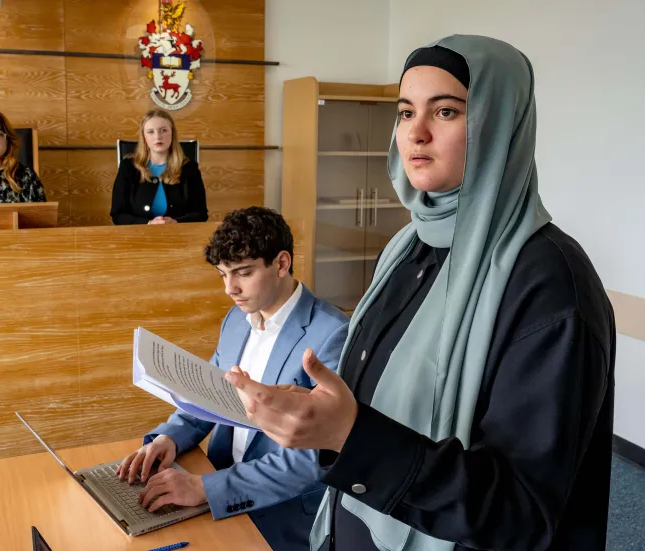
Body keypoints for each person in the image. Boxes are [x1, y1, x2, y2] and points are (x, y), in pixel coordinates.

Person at [226, 35, 616, 551]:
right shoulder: (407, 247)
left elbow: (520, 512)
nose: (417, 134)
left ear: (498, 125)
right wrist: (319, 416)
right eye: (405, 113)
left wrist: (350, 435)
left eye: (448, 111)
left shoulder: (549, 286)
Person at [116, 207, 349, 549]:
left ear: (282, 264)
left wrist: (204, 489)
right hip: (216, 481)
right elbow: (209, 394)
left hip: (279, 513)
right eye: (223, 274)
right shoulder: (237, 319)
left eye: (242, 273)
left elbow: (310, 461)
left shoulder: (331, 334)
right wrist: (169, 439)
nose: (230, 288)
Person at [110, 109, 208, 225]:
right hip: (138, 237)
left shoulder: (189, 168)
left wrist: (175, 222)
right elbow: (118, 215)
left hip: (179, 236)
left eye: (163, 130)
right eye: (150, 132)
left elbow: (201, 214)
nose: (158, 137)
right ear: (144, 137)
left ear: (172, 134)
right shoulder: (128, 167)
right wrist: (149, 223)